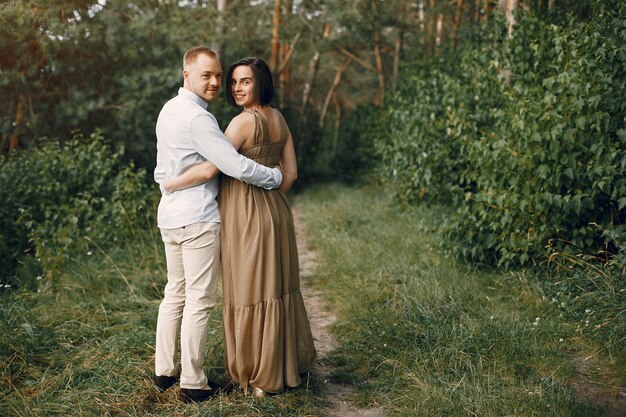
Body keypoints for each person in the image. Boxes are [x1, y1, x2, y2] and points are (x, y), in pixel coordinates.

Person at [164, 57, 316, 398]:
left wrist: (172, 184)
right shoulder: (279, 119)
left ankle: (257, 376)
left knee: (249, 292)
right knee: (276, 289)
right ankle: (280, 367)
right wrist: (271, 201)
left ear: (260, 82)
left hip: (244, 216)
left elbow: (209, 170)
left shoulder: (241, 123)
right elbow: (289, 174)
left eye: (244, 81)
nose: (235, 88)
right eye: (233, 82)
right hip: (277, 211)